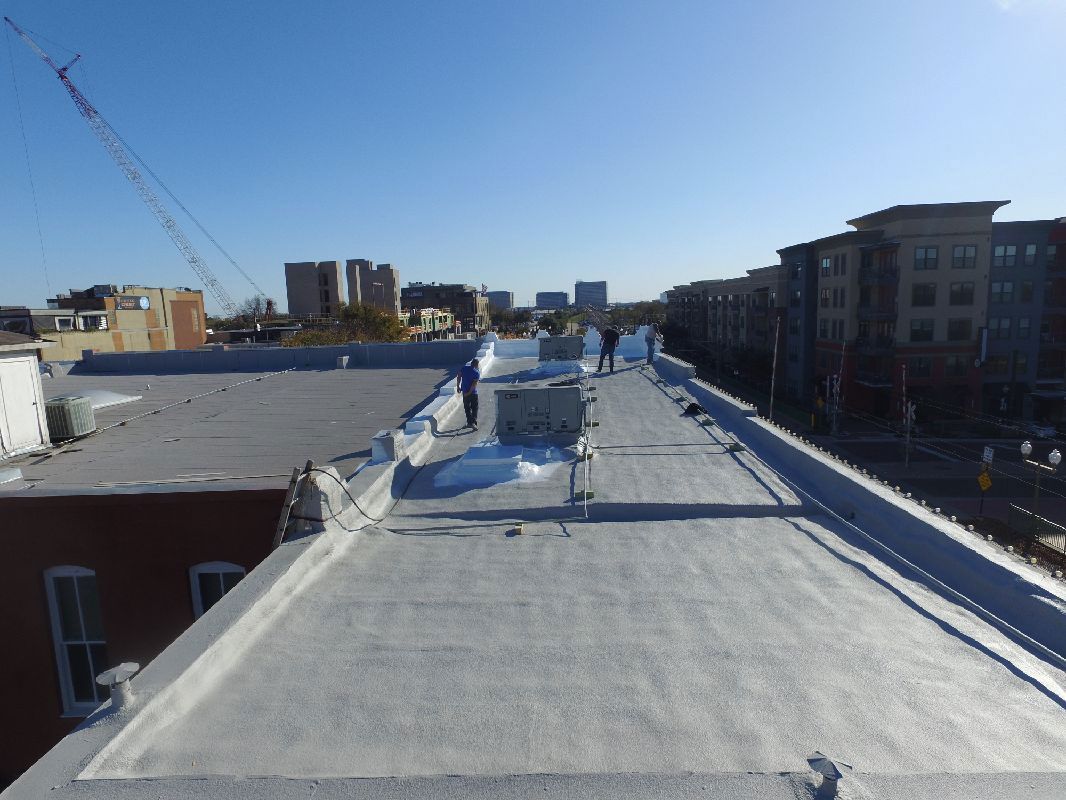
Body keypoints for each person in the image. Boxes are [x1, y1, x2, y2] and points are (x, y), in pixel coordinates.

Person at [456, 357, 480, 430]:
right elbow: (474, 385)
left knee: (467, 408)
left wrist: (458, 386)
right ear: (476, 365)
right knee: (474, 408)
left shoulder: (464, 368)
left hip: (465, 392)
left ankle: (469, 423)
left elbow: (459, 376)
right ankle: (473, 423)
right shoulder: (476, 373)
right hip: (473, 393)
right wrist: (469, 393)